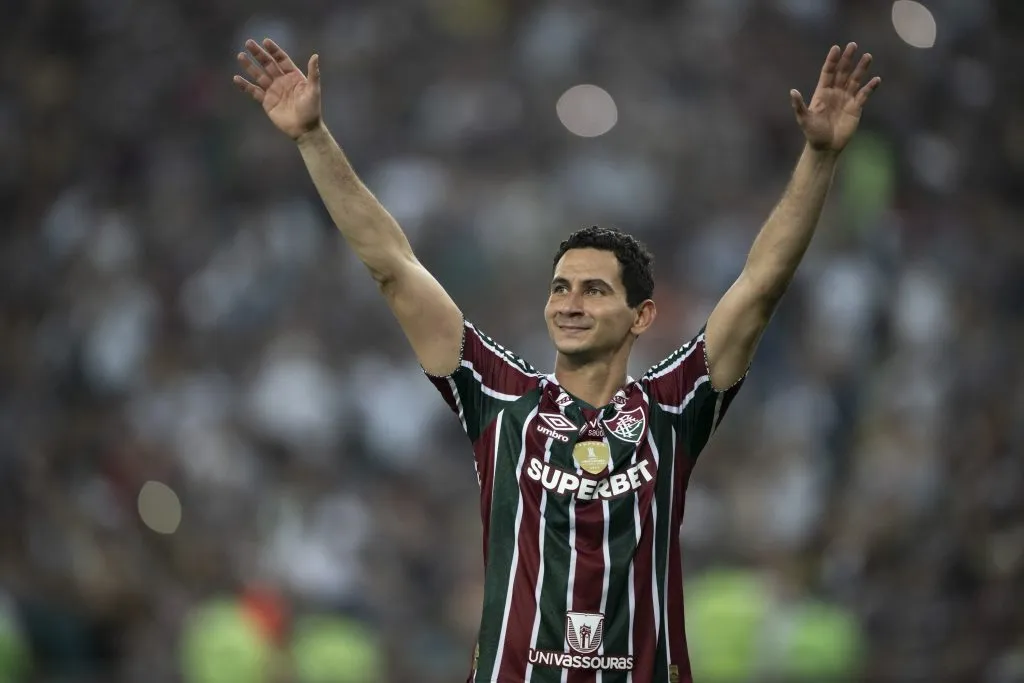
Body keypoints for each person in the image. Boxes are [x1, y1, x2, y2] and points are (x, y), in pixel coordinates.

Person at [233, 38, 880, 683]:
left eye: (595, 289)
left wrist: (819, 157)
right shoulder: (502, 399)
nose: (570, 303)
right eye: (560, 287)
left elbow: (760, 286)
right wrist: (313, 138)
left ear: (642, 316)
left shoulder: (675, 406)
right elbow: (395, 268)